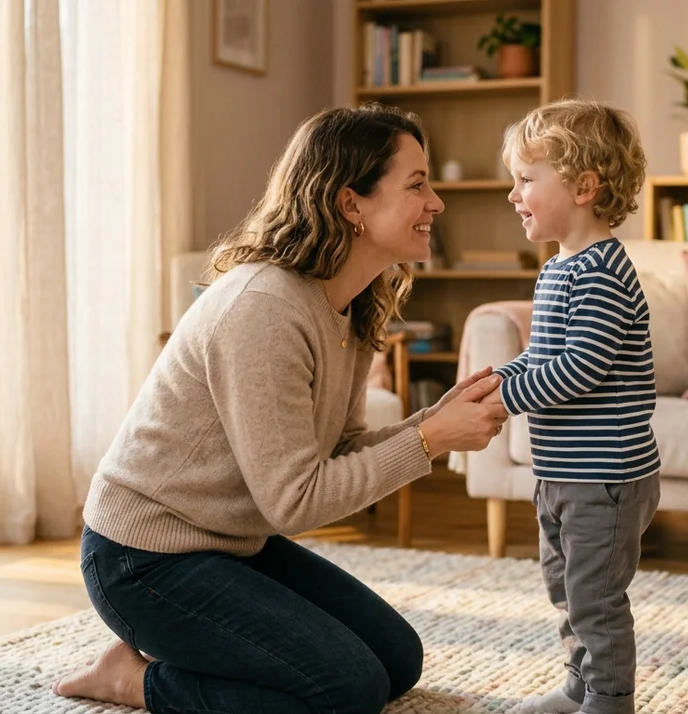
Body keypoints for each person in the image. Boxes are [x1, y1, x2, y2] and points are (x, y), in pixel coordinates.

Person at [52, 103, 510, 714]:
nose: (436, 203)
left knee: (397, 661)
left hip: (230, 541)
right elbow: (294, 500)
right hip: (143, 560)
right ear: (352, 204)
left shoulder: (352, 302)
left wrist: (430, 423)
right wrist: (430, 441)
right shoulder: (262, 308)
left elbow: (339, 449)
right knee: (347, 690)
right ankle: (132, 681)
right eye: (417, 184)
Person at [484, 99, 659, 714]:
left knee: (595, 596)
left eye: (527, 180)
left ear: (585, 187)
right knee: (565, 588)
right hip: (561, 474)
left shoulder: (605, 271)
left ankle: (611, 701)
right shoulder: (560, 268)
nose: (514, 194)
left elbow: (579, 370)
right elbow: (540, 357)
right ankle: (578, 685)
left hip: (605, 477)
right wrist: (492, 381)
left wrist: (508, 400)